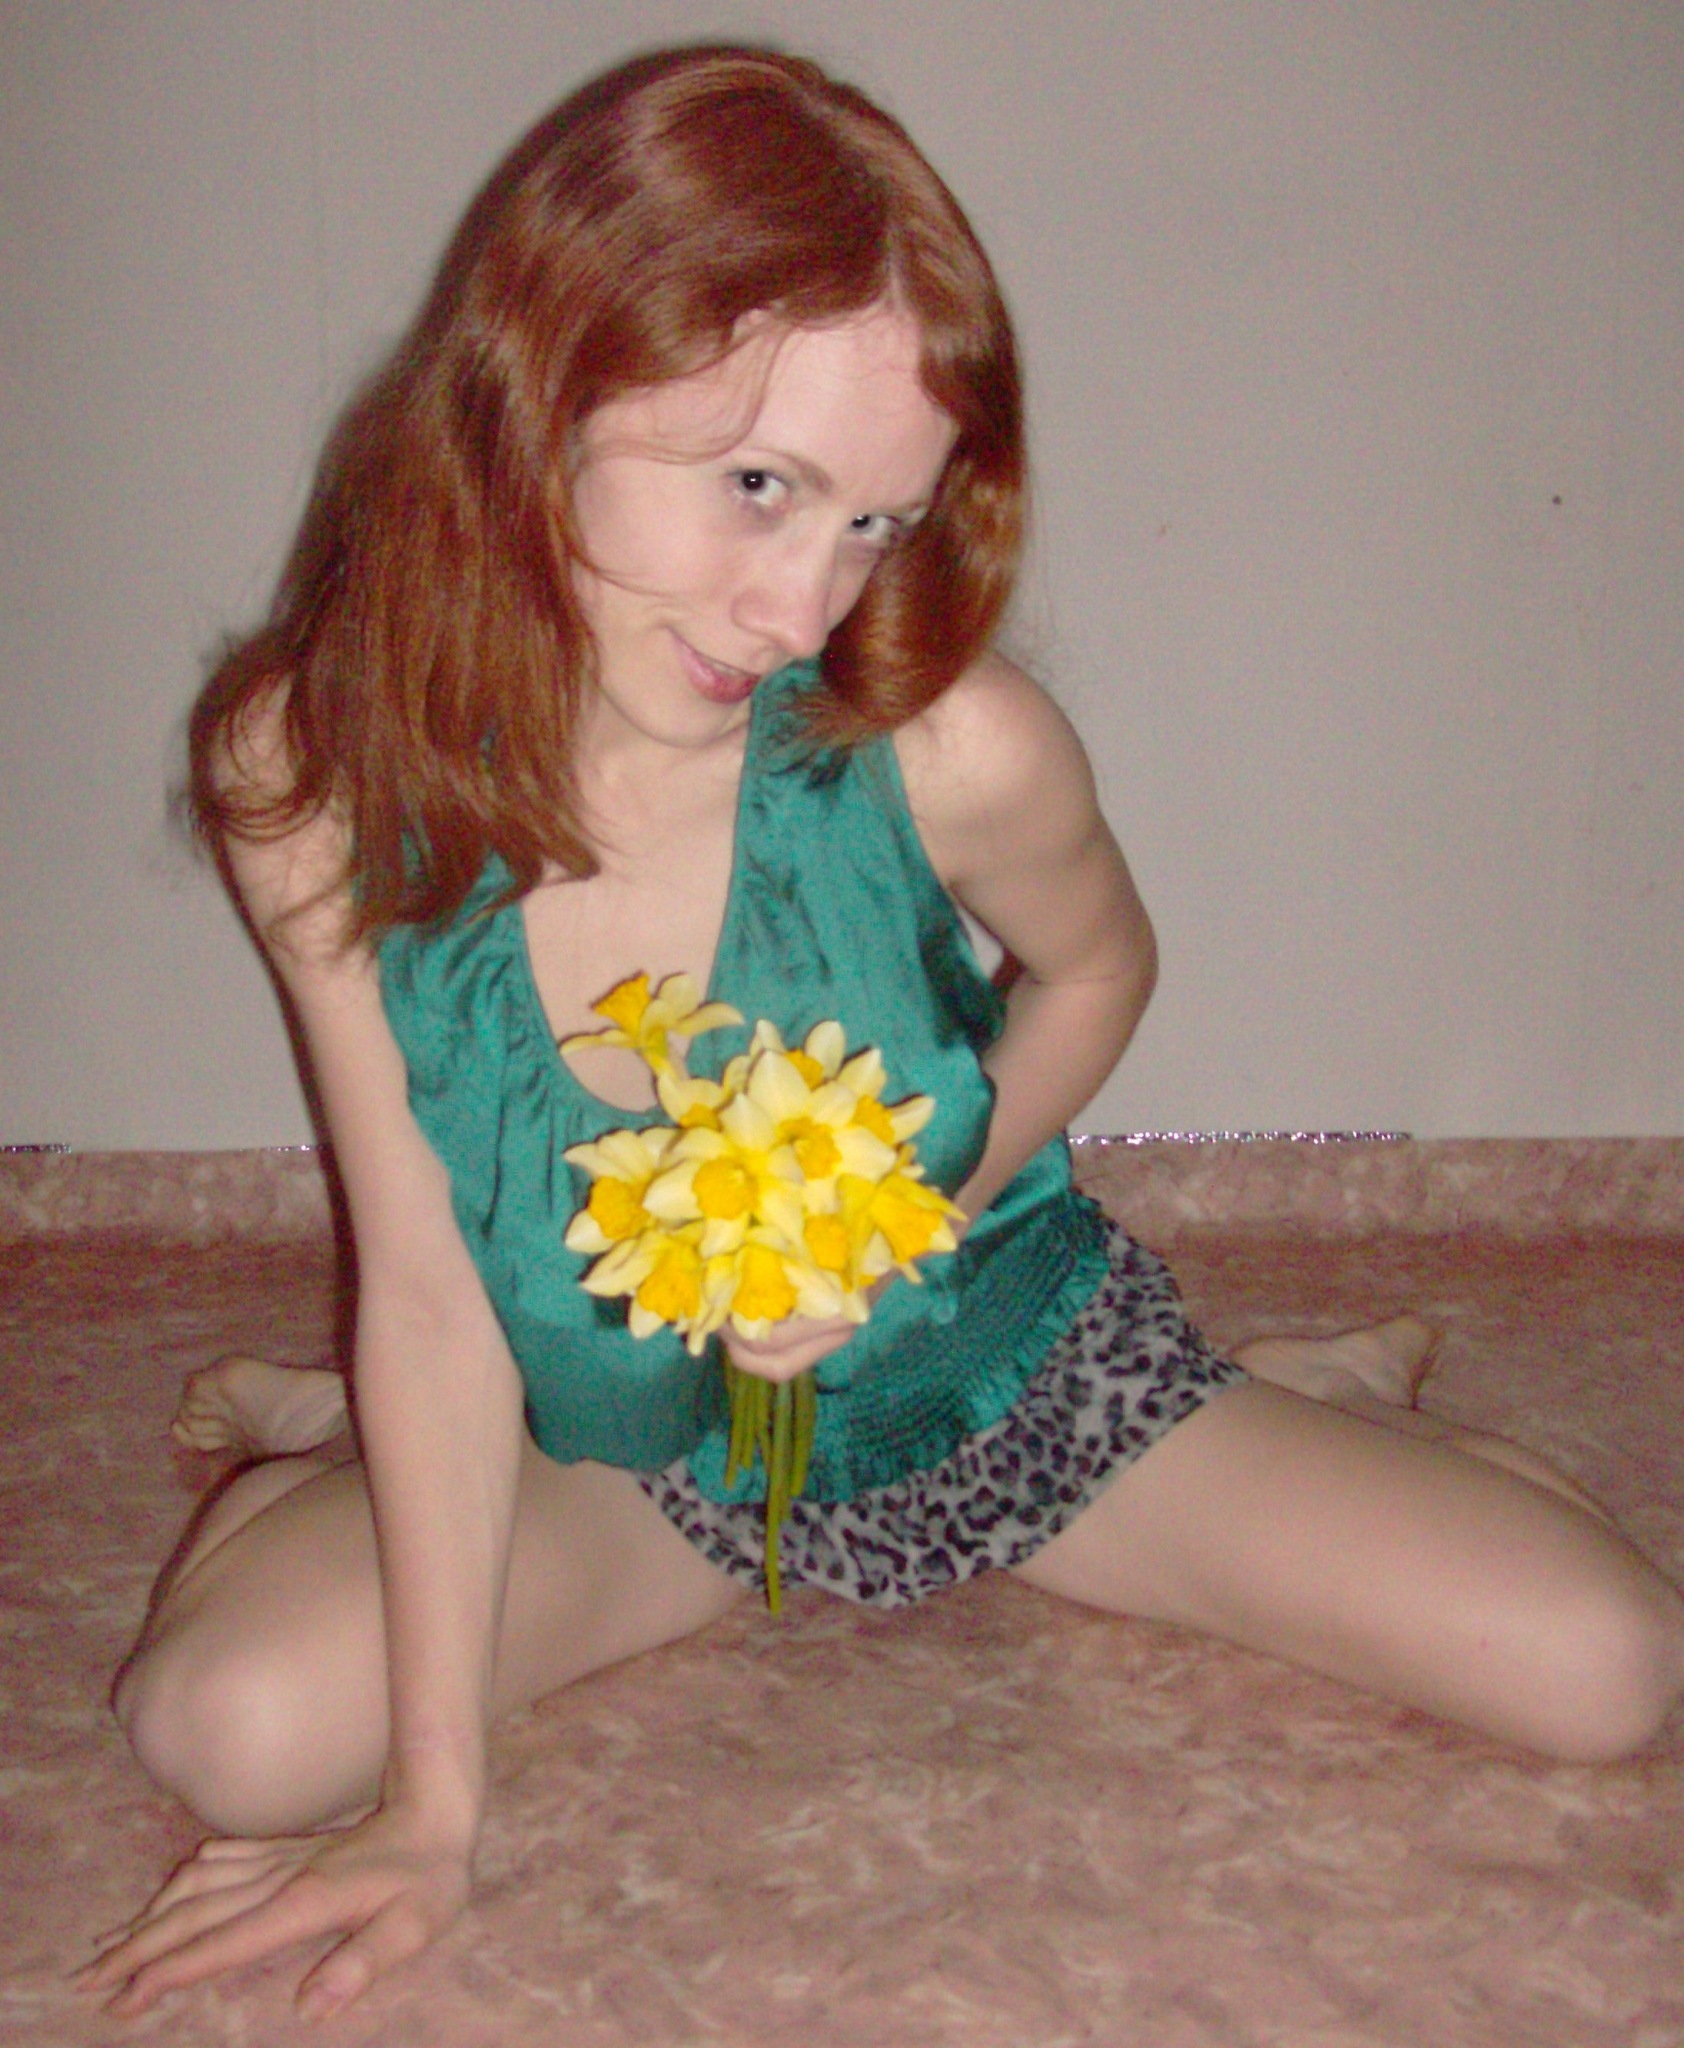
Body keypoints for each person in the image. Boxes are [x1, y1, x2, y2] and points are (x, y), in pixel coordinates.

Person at [83, 44, 1683, 2024]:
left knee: (1608, 1670)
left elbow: (1098, 975)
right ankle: (333, 1448)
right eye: (760, 485)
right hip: (635, 1454)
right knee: (223, 1729)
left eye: (873, 523)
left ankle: (1308, 1395)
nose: (801, 604)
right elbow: (421, 1284)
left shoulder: (946, 742)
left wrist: (903, 1208)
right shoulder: (309, 770)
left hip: (1003, 1381)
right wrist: (435, 1810)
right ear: (537, 379)